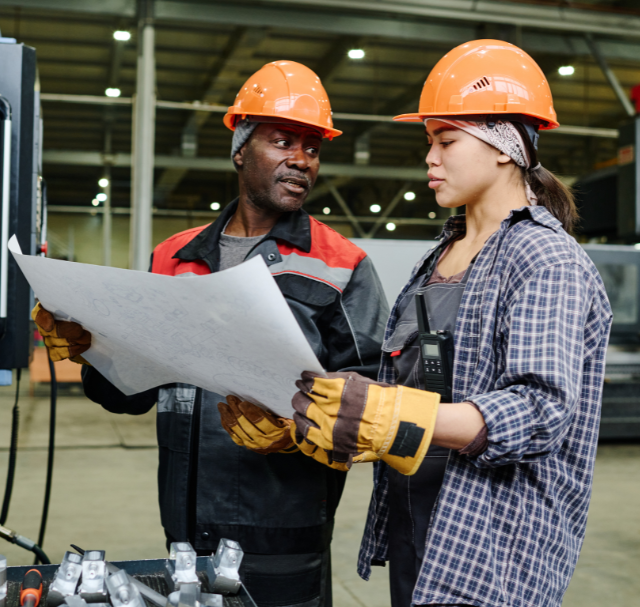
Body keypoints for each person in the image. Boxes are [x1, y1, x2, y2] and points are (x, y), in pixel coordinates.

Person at [32, 60, 389, 607]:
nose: (301, 160)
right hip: (183, 530)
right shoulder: (174, 257)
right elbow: (131, 395)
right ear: (240, 149)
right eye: (283, 140)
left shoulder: (341, 265)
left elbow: (374, 403)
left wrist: (298, 428)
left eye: (313, 148)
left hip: (284, 538)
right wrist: (93, 351)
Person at [287, 41, 613, 607]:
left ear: (505, 147)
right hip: (420, 521)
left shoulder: (544, 258)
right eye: (429, 143)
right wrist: (333, 418)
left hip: (494, 544)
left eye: (446, 140)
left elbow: (541, 411)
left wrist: (396, 412)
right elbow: (417, 389)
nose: (430, 159)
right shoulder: (438, 258)